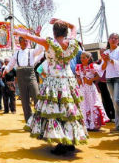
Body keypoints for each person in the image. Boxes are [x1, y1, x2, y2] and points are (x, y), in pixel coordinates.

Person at [15, 18, 88, 155]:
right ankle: (70, 141)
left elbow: (31, 37)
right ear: (65, 31)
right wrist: (61, 21)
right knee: (69, 111)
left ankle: (61, 142)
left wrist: (19, 32)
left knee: (56, 111)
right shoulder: (72, 42)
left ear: (54, 32)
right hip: (69, 80)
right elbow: (74, 26)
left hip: (54, 80)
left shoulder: (50, 43)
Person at [2, 36, 44, 122]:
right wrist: (6, 70)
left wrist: (38, 36)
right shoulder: (16, 53)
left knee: (36, 96)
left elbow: (40, 49)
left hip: (31, 74)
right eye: (23, 41)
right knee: (25, 100)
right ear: (19, 42)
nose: (25, 42)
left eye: (26, 41)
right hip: (20, 75)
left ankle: (39, 119)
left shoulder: (31, 51)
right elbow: (11, 64)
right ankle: (28, 120)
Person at [75, 52, 109, 130]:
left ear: (89, 58)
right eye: (81, 58)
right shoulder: (78, 67)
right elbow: (77, 75)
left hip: (91, 89)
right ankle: (85, 124)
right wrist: (78, 79)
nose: (82, 59)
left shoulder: (92, 66)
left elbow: (98, 76)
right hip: (82, 89)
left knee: (92, 104)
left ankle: (94, 124)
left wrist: (92, 80)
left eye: (84, 57)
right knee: (83, 105)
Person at [100, 33, 119, 133]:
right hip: (109, 78)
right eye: (112, 38)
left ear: (118, 40)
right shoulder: (106, 52)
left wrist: (110, 60)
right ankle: (118, 125)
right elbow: (102, 68)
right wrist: (105, 60)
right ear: (108, 39)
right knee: (114, 102)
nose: (114, 40)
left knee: (117, 101)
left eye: (116, 38)